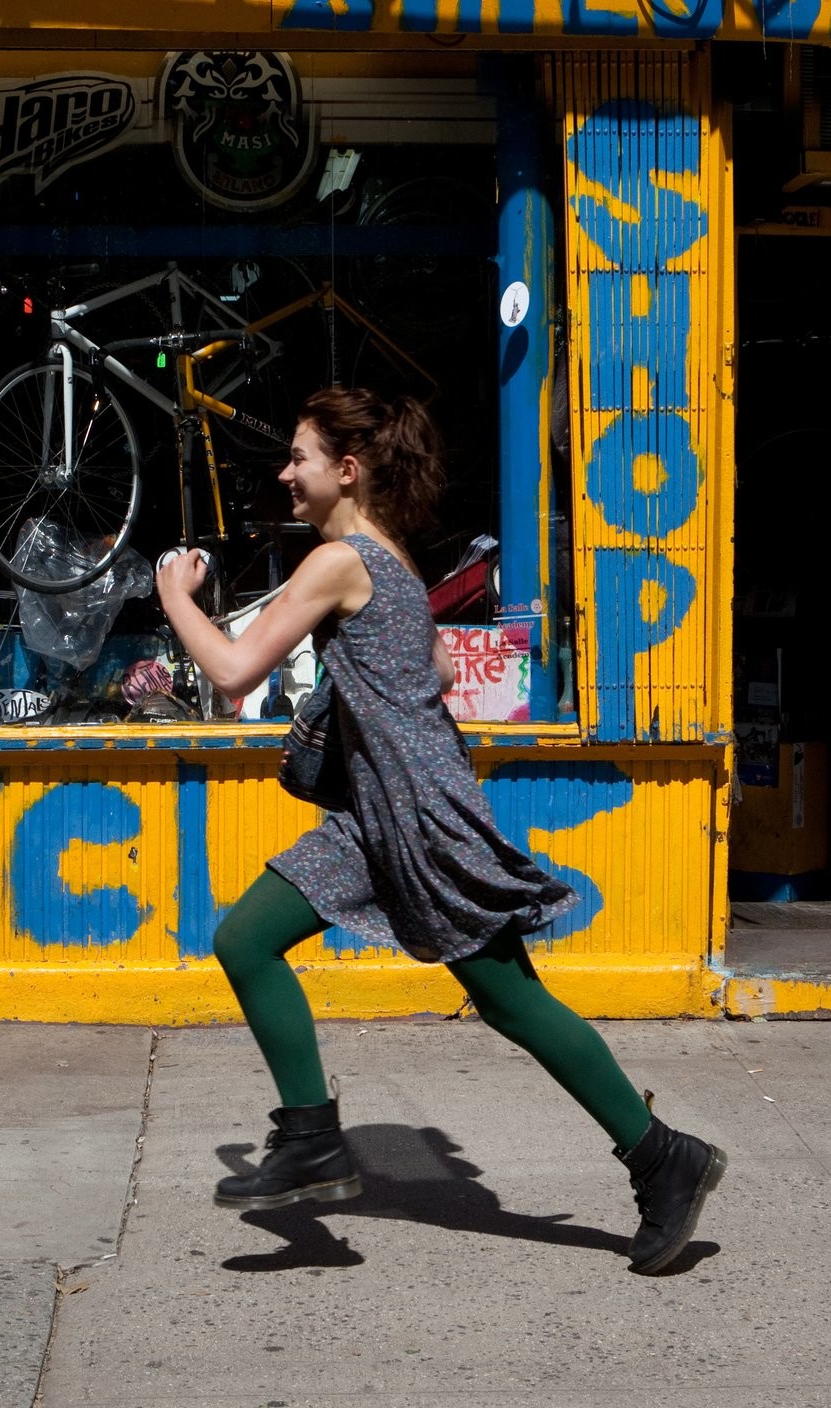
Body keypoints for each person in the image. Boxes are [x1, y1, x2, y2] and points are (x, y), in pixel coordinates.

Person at [154, 387, 727, 1275]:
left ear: (346, 471)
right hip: (376, 816)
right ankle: (309, 1139)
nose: (286, 474)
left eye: (299, 458)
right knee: (246, 940)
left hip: (416, 818)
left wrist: (177, 597)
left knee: (512, 1000)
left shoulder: (342, 561)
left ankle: (663, 1156)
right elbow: (438, 663)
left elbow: (232, 671)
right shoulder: (393, 563)